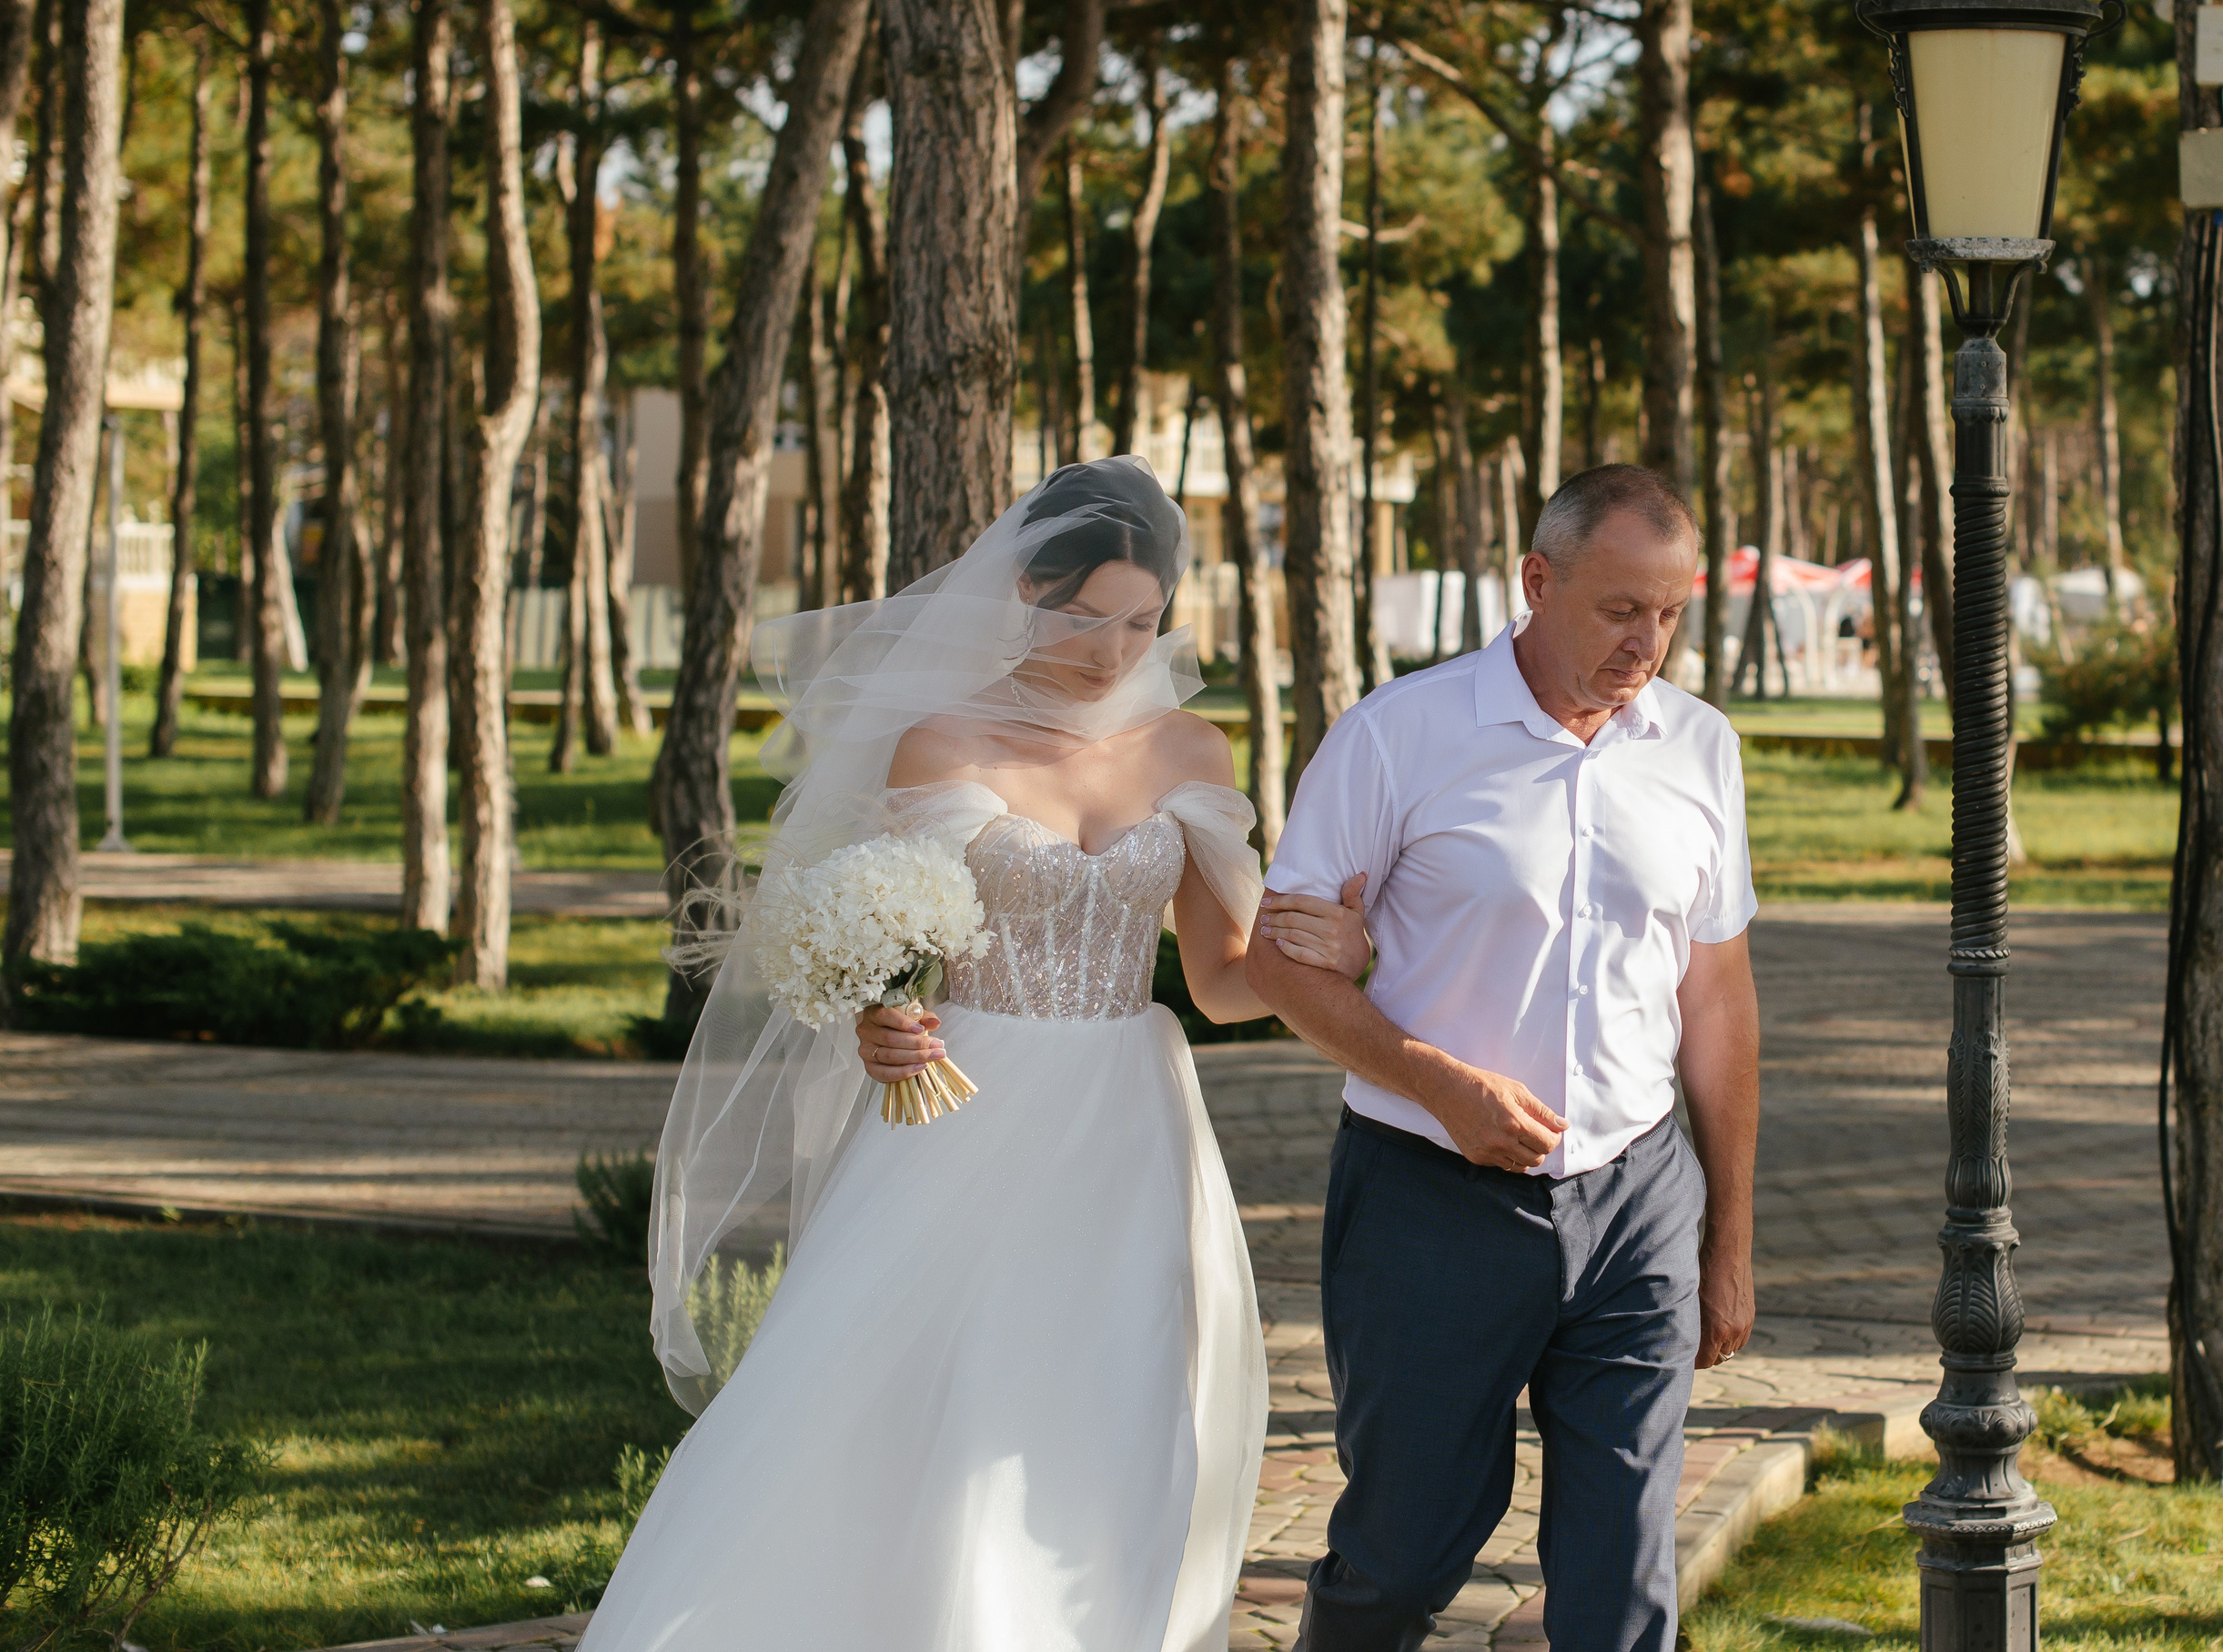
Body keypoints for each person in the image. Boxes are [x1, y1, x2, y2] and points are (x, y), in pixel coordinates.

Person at [583, 456, 1372, 1652]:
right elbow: (891, 939)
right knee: (914, 1382)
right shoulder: (941, 743)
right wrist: (876, 1017)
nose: (1114, 650)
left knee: (1115, 1390)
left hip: (1130, 1117)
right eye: (1087, 616)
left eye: (1143, 622)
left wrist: (1332, 958)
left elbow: (1219, 984)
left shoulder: (1191, 752)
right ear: (1027, 594)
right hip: (964, 1105)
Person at [1248, 464, 1763, 1652]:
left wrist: (1728, 1237)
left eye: (1671, 612)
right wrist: (1439, 1082)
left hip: (1639, 1202)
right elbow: (1279, 963)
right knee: (1400, 1559)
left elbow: (1718, 998)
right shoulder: (1398, 735)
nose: (1648, 642)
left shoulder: (1701, 747)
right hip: (1430, 1201)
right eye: (1620, 609)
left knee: (1622, 1584)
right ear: (1537, 580)